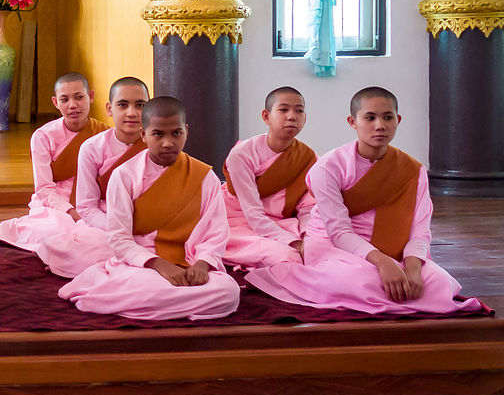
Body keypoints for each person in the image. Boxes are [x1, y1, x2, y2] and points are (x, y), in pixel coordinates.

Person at [245, 88, 485, 315]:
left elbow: (420, 229)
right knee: (361, 280)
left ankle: (396, 291)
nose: (379, 125)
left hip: (394, 245)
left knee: (439, 284)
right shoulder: (329, 167)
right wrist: (382, 262)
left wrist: (412, 268)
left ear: (397, 121)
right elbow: (338, 231)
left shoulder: (412, 170)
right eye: (369, 118)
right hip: (333, 244)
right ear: (353, 122)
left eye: (387, 117)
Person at [58, 97, 241, 320]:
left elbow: (216, 234)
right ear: (144, 135)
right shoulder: (125, 176)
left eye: (176, 133)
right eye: (158, 134)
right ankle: (179, 304)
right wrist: (158, 265)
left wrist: (203, 265)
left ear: (186, 131)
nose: (167, 143)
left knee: (229, 292)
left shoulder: (206, 177)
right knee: (144, 286)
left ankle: (149, 305)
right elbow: (119, 239)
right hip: (141, 264)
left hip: (190, 261)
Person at [34, 77, 149, 278]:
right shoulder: (92, 146)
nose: (132, 113)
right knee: (67, 241)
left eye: (140, 105)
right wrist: (119, 228)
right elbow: (87, 207)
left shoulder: (159, 145)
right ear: (109, 108)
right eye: (123, 105)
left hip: (148, 224)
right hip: (106, 219)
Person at [0, 72, 107, 251]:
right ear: (55, 102)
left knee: (105, 233)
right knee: (56, 231)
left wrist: (90, 210)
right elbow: (44, 188)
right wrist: (71, 212)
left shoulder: (104, 134)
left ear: (91, 97)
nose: (72, 105)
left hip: (93, 202)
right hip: (56, 204)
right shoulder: (43, 136)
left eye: (79, 97)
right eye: (65, 99)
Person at [220, 87, 316, 269]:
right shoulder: (242, 155)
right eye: (283, 109)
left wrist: (308, 238)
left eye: (299, 110)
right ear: (266, 116)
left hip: (282, 222)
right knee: (288, 257)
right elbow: (254, 214)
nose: (292, 116)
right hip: (237, 219)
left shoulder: (307, 157)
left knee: (321, 249)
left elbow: (307, 208)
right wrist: (294, 243)